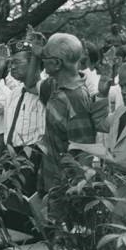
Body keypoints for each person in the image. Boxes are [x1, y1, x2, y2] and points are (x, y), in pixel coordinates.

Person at [25, 33, 105, 194]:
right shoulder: (54, 84)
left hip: (64, 188)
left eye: (45, 56)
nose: (42, 59)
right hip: (50, 180)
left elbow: (83, 152)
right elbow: (30, 85)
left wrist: (74, 192)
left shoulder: (76, 99)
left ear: (56, 63)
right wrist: (35, 55)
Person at [0, 38, 45, 194]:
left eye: (17, 62)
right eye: (10, 62)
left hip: (33, 157)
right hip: (10, 156)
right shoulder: (14, 92)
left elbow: (33, 82)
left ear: (33, 62)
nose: (11, 66)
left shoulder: (44, 89)